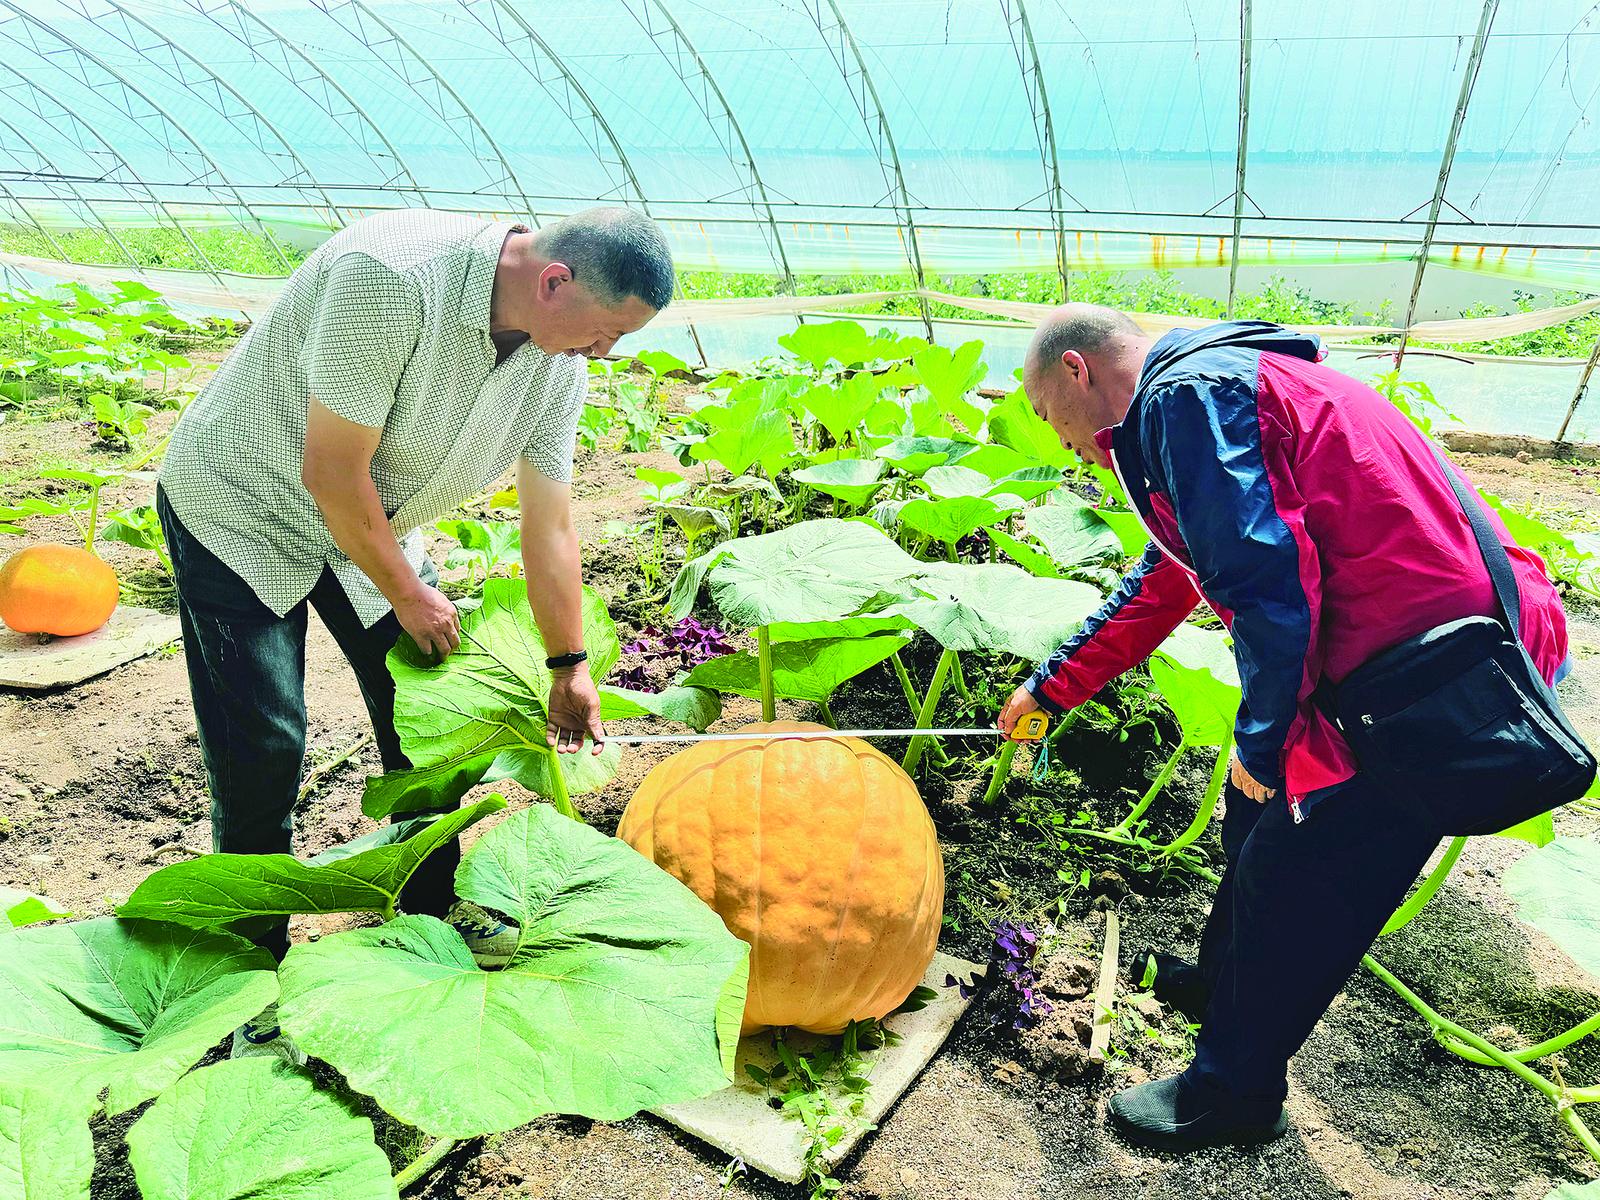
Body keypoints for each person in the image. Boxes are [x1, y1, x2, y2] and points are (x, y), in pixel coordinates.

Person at [997, 304, 1571, 1151]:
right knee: (1252, 822)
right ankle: (1218, 986)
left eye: (1048, 416)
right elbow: (1173, 578)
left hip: (1427, 684)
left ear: (1076, 371)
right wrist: (1055, 688)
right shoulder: (1213, 386)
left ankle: (1234, 1095)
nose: (1059, 444)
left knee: (1307, 886)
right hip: (1402, 648)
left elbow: (1270, 590)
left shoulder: (1188, 399)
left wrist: (1267, 744)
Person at [156, 206, 672, 1059]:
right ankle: (246, 974)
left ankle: (426, 912)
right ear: (553, 282)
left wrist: (568, 663)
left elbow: (548, 525)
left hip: (369, 525)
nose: (605, 352)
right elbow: (329, 470)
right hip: (242, 506)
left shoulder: (555, 364)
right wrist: (408, 593)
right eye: (606, 330)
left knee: (429, 722)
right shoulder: (391, 278)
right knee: (264, 749)